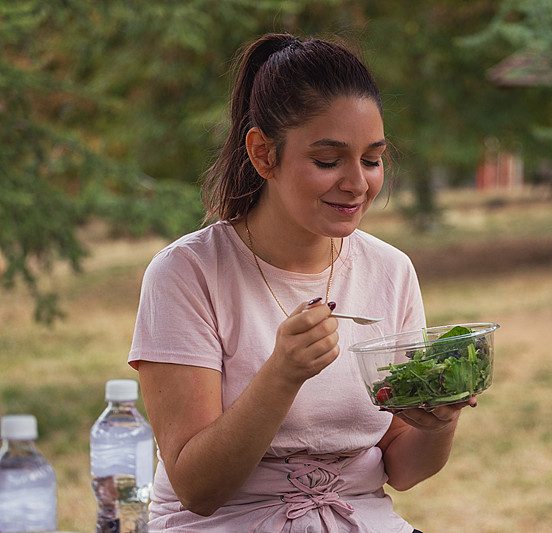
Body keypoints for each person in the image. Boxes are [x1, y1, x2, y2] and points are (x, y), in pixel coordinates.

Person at [128, 33, 477, 532]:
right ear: (263, 154)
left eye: (372, 159)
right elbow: (197, 489)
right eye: (328, 160)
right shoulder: (188, 273)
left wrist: (441, 419)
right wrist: (282, 374)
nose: (357, 183)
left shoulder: (390, 270)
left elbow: (403, 468)